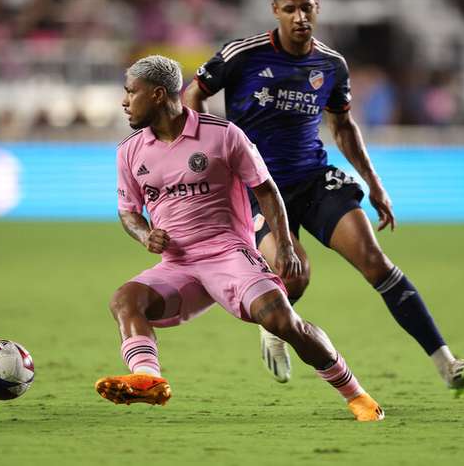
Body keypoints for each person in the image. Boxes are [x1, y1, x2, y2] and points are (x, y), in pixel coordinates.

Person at [184, 0, 464, 396]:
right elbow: (192, 96)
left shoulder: (330, 65)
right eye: (289, 9)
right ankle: (275, 324)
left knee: (376, 262)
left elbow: (343, 127)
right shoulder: (242, 55)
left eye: (306, 7)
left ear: (317, 6)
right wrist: (210, 148)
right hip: (258, 189)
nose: (299, 16)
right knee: (296, 275)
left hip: (313, 179)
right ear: (275, 10)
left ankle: (447, 364)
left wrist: (375, 184)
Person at [95, 54, 385, 422]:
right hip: (179, 265)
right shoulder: (130, 151)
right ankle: (149, 379)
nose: (124, 101)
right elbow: (128, 211)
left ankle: (357, 395)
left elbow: (266, 190)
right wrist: (144, 234)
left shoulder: (223, 135)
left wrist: (283, 244)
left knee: (282, 321)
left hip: (229, 255)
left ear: (156, 95)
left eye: (130, 92)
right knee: (126, 300)